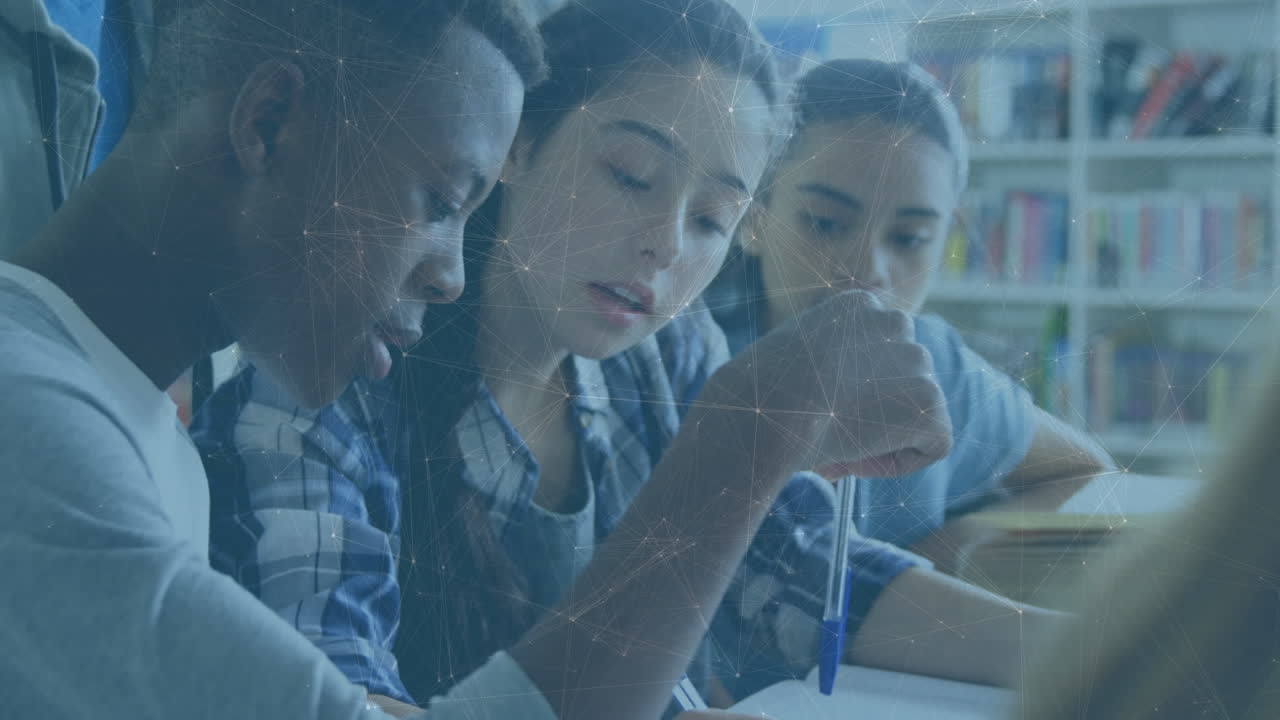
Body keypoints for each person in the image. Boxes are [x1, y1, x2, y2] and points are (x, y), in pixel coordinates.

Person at [190, 3, 953, 719]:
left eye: (712, 219)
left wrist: (1070, 646)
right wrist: (735, 451)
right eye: (628, 174)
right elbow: (341, 699)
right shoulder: (323, 393)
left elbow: (804, 565)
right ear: (516, 143)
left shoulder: (666, 359)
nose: (666, 243)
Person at [0, 0, 550, 717]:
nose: (451, 278)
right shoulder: (23, 409)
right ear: (268, 124)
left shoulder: (162, 454)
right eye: (441, 204)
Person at [705, 58, 1114, 691]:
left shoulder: (936, 364)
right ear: (755, 216)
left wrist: (955, 545)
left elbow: (1083, 467)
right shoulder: (684, 364)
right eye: (825, 223)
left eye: (911, 237)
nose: (866, 269)